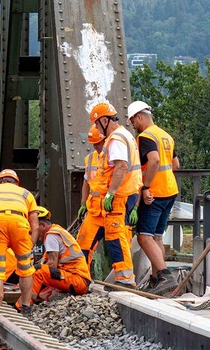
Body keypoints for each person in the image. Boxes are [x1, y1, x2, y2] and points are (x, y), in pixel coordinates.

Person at [80, 103, 140, 288]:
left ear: (105, 121)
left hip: (118, 197)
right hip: (105, 203)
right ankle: (80, 277)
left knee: (116, 237)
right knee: (86, 240)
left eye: (97, 124)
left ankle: (125, 281)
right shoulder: (123, 136)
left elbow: (121, 166)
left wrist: (110, 194)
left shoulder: (116, 139)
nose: (96, 128)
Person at [126, 101, 181, 292]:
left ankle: (165, 276)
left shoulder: (146, 136)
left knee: (144, 237)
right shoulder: (166, 136)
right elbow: (175, 165)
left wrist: (146, 186)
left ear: (140, 117)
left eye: (133, 121)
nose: (133, 125)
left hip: (155, 192)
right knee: (157, 236)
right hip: (170, 190)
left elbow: (154, 160)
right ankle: (157, 278)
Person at [0, 169, 38, 311]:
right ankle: (26, 307)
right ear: (16, 183)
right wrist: (29, 246)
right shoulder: (26, 193)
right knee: (26, 268)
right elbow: (35, 225)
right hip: (19, 222)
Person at [32, 206, 92, 302]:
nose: (32, 232)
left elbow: (52, 265)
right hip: (78, 279)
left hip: (77, 281)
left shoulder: (51, 236)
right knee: (42, 293)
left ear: (42, 225)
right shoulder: (57, 231)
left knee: (38, 272)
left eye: (34, 228)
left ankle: (22, 306)